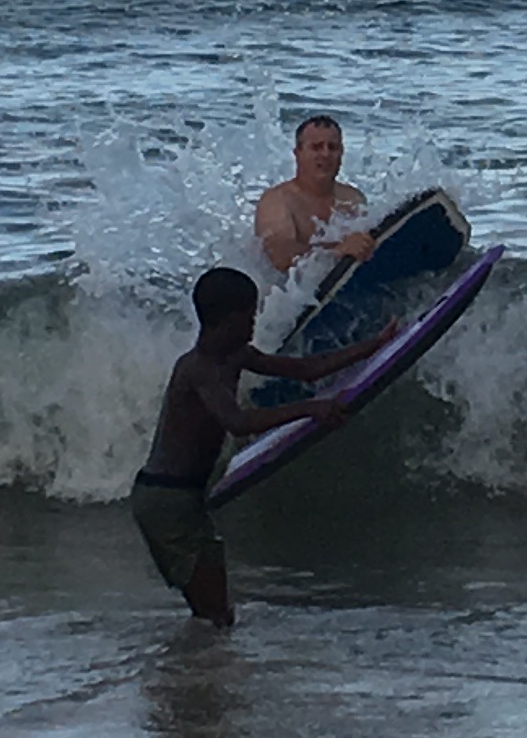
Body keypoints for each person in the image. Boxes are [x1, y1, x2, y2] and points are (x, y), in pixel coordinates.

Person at [128, 267, 374, 626]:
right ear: (228, 320)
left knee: (213, 613)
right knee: (216, 614)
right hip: (165, 502)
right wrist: (309, 408)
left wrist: (375, 345)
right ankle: (194, 661)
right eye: (250, 315)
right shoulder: (198, 369)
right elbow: (237, 422)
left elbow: (307, 369)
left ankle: (196, 658)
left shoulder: (236, 355)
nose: (254, 322)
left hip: (187, 497)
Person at [254, 114, 380, 279]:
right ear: (298, 153)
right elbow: (280, 256)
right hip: (287, 291)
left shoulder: (353, 198)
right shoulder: (277, 200)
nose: (326, 154)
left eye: (332, 147)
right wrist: (338, 250)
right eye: (316, 147)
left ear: (341, 153)